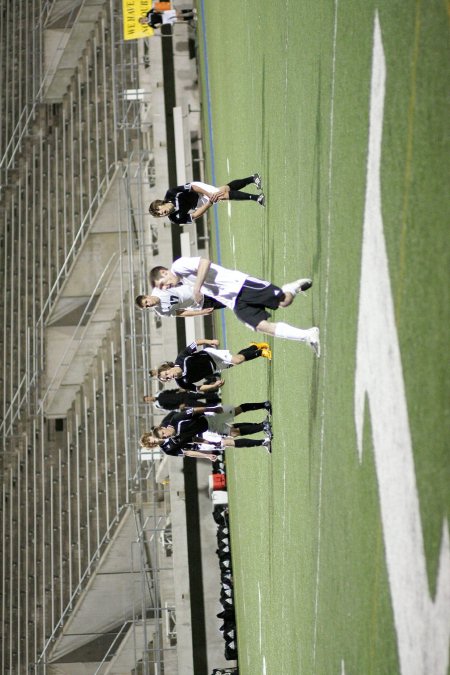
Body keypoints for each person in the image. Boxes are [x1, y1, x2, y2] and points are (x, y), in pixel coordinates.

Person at [150, 257, 320, 355]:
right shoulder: (183, 280)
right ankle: (308, 335)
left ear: (164, 272)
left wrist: (196, 288)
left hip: (241, 285)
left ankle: (291, 288)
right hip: (233, 301)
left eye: (163, 284)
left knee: (284, 301)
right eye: (162, 288)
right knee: (261, 327)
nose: (166, 288)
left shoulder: (178, 265)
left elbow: (204, 262)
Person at [140, 401, 272, 459]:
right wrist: (207, 453)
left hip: (208, 417)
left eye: (153, 440)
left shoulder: (175, 420)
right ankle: (263, 428)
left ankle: (263, 405)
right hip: (208, 428)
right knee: (233, 434)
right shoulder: (169, 448)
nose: (158, 440)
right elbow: (189, 447)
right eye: (152, 444)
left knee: (236, 411)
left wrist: (212, 409)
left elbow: (194, 411)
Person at [154, 338, 272, 392]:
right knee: (238, 359)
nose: (169, 376)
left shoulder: (181, 358)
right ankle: (255, 346)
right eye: (167, 378)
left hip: (211, 355)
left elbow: (195, 343)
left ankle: (262, 352)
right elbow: (198, 388)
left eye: (167, 374)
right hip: (215, 367)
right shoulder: (182, 383)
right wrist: (213, 386)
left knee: (237, 360)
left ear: (167, 368)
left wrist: (209, 342)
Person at [148, 175, 265, 226]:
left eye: (159, 210)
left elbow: (193, 187)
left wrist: (208, 194)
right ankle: (252, 178)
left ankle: (256, 198)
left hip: (196, 189)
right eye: (159, 215)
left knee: (219, 195)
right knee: (225, 189)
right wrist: (209, 203)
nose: (162, 213)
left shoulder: (171, 193)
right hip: (197, 203)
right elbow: (194, 215)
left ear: (160, 204)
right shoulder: (174, 219)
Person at [135, 284, 225, 318]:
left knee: (228, 291)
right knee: (229, 303)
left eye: (146, 302)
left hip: (201, 289)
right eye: (146, 306)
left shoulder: (159, 288)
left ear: (146, 296)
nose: (148, 305)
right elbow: (182, 313)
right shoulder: (161, 312)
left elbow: (176, 280)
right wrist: (201, 312)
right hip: (202, 304)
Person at [143, 387, 221, 410]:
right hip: (183, 402)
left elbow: (170, 391)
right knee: (201, 405)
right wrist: (178, 407)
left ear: (149, 396)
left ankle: (217, 396)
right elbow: (169, 408)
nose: (149, 400)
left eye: (148, 398)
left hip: (183, 395)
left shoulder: (158, 393)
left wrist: (179, 389)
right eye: (147, 401)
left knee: (200, 395)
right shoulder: (157, 405)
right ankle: (216, 405)